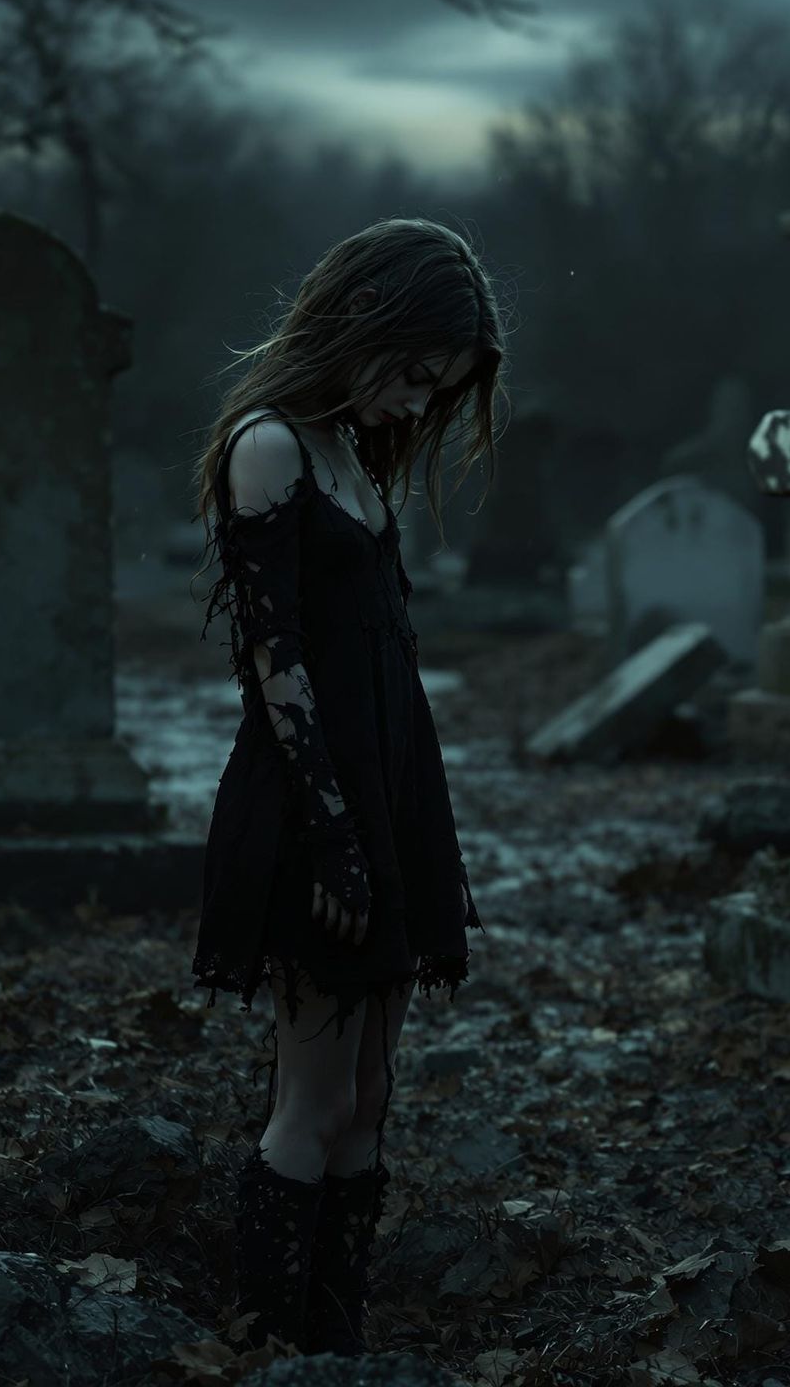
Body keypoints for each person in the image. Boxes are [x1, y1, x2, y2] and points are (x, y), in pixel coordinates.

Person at [187, 216, 506, 1356]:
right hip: (314, 811)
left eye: (441, 388)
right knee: (312, 1103)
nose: (420, 405)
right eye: (415, 374)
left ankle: (336, 1348)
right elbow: (274, 667)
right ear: (366, 320)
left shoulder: (351, 456)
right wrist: (335, 842)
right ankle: (272, 1350)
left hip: (389, 795)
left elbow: (384, 656)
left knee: (368, 1101)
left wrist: (413, 836)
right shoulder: (268, 446)